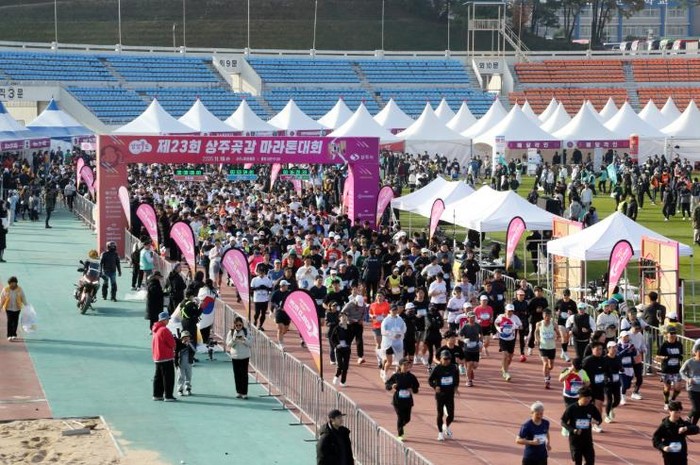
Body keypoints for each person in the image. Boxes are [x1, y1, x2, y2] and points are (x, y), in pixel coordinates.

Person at [561, 387, 602, 465]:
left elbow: (599, 419)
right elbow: (563, 422)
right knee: (578, 461)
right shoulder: (572, 408)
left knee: (590, 461)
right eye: (586, 398)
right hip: (575, 440)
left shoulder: (591, 407)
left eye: (590, 398)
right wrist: (573, 430)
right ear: (580, 397)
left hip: (587, 439)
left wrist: (597, 422)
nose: (588, 400)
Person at [652, 400, 699, 465]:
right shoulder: (664, 425)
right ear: (670, 411)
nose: (678, 415)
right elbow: (656, 439)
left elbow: (696, 429)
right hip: (669, 455)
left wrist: (686, 428)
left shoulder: (682, 423)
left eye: (679, 412)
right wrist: (663, 447)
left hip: (681, 454)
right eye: (676, 412)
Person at [385, 358, 420, 441]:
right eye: (404, 365)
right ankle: (400, 435)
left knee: (407, 418)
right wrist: (392, 386)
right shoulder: (396, 376)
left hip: (408, 401)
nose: (406, 366)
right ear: (400, 366)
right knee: (400, 417)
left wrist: (413, 389)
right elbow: (387, 385)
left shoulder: (411, 377)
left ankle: (400, 426)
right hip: (398, 401)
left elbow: (416, 387)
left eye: (407, 365)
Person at [428, 350, 460, 441]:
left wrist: (456, 387)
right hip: (440, 394)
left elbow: (457, 378)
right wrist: (435, 386)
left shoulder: (453, 367)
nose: (447, 361)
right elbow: (430, 380)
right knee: (440, 414)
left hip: (450, 394)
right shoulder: (437, 368)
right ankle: (440, 433)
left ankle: (446, 426)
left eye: (449, 359)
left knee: (451, 415)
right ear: (441, 359)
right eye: (445, 359)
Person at [581, 342, 607, 433]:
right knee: (586, 406)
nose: (599, 351)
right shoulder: (587, 360)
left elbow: (607, 371)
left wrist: (607, 379)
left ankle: (596, 424)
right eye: (597, 349)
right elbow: (581, 372)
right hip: (589, 387)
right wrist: (584, 383)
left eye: (601, 349)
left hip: (599, 387)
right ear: (592, 350)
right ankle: (583, 422)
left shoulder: (603, 360)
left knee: (599, 406)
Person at [657, 326, 684, 411]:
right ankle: (666, 402)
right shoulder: (664, 345)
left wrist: (680, 357)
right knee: (667, 388)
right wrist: (665, 357)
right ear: (667, 334)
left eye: (674, 333)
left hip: (676, 369)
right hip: (666, 370)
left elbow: (681, 354)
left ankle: (672, 399)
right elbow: (657, 356)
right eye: (671, 333)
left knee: (678, 388)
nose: (673, 335)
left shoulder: (679, 344)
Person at [151, 311, 177, 402]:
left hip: (157, 356)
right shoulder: (164, 330)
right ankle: (168, 396)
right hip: (166, 357)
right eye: (167, 319)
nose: (168, 321)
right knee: (168, 377)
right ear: (164, 320)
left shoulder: (155, 329)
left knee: (158, 377)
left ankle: (157, 394)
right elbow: (172, 343)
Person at [516, 401, 551, 465]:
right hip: (530, 458)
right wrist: (531, 442)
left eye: (541, 414)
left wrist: (548, 443)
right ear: (532, 413)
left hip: (542, 456)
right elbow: (518, 440)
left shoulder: (546, 423)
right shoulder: (527, 425)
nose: (539, 416)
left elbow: (547, 433)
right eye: (537, 414)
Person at [494, 304, 523, 382]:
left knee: (510, 358)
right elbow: (495, 323)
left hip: (511, 340)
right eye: (509, 311)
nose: (510, 313)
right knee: (505, 355)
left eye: (512, 311)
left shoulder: (515, 318)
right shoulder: (501, 316)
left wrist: (516, 326)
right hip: (503, 339)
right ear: (505, 310)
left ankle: (504, 368)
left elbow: (521, 326)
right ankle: (506, 373)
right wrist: (498, 328)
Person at [226, 317, 253, 399]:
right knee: (237, 375)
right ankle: (238, 392)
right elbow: (228, 344)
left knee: (244, 374)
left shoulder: (246, 331)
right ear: (234, 325)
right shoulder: (231, 332)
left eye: (240, 325)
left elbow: (250, 343)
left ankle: (244, 392)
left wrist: (244, 339)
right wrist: (234, 340)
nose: (238, 326)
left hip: (245, 356)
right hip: (235, 356)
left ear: (242, 324)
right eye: (236, 325)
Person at [535, 309, 561, 389]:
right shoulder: (539, 324)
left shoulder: (554, 324)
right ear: (543, 316)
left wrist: (558, 336)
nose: (547, 317)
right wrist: (536, 339)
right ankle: (546, 380)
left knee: (551, 366)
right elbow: (536, 332)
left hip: (552, 347)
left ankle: (548, 373)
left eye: (549, 316)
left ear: (551, 316)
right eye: (546, 316)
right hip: (543, 347)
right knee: (545, 363)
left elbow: (558, 333)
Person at [380, 305, 407, 381]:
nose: (394, 311)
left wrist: (400, 334)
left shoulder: (400, 319)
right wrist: (392, 335)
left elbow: (404, 328)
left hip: (398, 343)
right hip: (388, 344)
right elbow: (383, 331)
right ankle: (385, 374)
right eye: (393, 310)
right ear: (390, 311)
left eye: (395, 310)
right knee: (389, 361)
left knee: (399, 361)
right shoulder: (386, 320)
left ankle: (397, 374)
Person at [459, 311, 482, 386]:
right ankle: (469, 380)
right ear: (467, 318)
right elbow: (460, 336)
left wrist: (481, 342)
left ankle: (470, 370)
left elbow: (481, 334)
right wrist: (464, 340)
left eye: (473, 317)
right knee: (469, 364)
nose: (472, 319)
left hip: (475, 348)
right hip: (467, 349)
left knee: (475, 365)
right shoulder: (465, 326)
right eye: (471, 317)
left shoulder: (478, 326)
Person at [0, 276, 26, 341]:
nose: (13, 284)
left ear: (16, 283)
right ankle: (9, 335)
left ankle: (14, 334)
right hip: (8, 308)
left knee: (15, 321)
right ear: (9, 283)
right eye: (11, 283)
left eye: (14, 283)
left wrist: (26, 305)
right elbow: (2, 298)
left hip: (17, 308)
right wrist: (0, 306)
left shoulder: (20, 289)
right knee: (9, 321)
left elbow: (23, 297)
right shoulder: (5, 289)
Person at [330, 311, 352, 387]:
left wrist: (347, 329)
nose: (344, 319)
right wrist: (336, 345)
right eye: (342, 317)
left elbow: (351, 337)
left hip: (346, 349)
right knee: (340, 365)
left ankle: (343, 382)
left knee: (345, 366)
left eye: (345, 318)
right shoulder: (336, 328)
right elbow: (332, 338)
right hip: (339, 349)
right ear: (339, 319)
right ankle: (336, 375)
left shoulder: (349, 327)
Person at [680, 344, 700, 425]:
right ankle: (687, 419)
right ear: (695, 352)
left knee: (699, 409)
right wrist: (687, 379)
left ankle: (693, 426)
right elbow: (681, 372)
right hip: (692, 388)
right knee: (696, 408)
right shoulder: (689, 362)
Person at [555, 289, 577, 362]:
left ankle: (563, 350)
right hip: (561, 322)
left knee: (567, 337)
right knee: (563, 336)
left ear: (569, 295)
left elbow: (576, 313)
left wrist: (572, 313)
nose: (565, 296)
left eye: (567, 295)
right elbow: (555, 310)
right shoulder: (559, 302)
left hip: (569, 323)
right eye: (564, 295)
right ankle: (566, 354)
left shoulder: (573, 303)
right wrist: (557, 313)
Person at [603, 341, 623, 424]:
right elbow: (602, 370)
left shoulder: (617, 358)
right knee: (609, 400)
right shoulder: (604, 359)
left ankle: (611, 409)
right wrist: (606, 377)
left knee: (617, 400)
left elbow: (620, 366)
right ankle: (607, 415)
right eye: (613, 347)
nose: (615, 349)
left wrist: (621, 369)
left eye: (616, 347)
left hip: (616, 382)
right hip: (607, 383)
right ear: (608, 349)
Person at [271, 280, 292, 349]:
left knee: (285, 329)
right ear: (282, 286)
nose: (287, 286)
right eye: (286, 285)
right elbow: (272, 302)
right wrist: (277, 307)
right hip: (279, 312)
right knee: (280, 328)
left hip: (287, 313)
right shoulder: (276, 293)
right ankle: (281, 343)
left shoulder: (289, 293)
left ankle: (280, 335)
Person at [250, 265, 273, 330]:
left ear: (264, 272)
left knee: (263, 313)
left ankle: (260, 325)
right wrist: (258, 288)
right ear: (257, 272)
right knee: (257, 313)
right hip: (257, 299)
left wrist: (265, 288)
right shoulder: (254, 279)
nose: (261, 273)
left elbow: (271, 289)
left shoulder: (267, 280)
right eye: (260, 272)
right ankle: (255, 320)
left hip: (264, 299)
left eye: (262, 272)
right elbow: (251, 288)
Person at [175, 330, 195, 396]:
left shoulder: (191, 344)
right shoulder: (179, 344)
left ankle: (188, 389)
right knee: (181, 377)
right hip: (181, 364)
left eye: (187, 337)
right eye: (184, 337)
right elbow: (176, 353)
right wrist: (176, 363)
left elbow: (194, 350)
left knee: (188, 377)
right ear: (182, 338)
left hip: (189, 363)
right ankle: (180, 390)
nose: (186, 339)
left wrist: (189, 344)